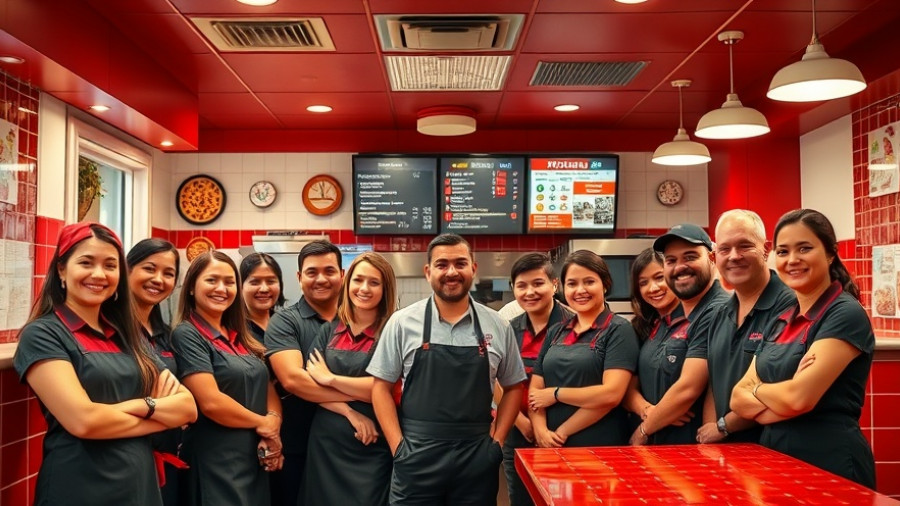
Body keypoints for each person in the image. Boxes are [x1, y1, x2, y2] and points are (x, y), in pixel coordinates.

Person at [14, 223, 197, 506]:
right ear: (61, 269)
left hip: (140, 484)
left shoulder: (126, 334)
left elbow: (187, 408)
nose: (99, 274)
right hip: (79, 485)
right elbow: (84, 422)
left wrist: (135, 408)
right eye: (86, 262)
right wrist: (157, 412)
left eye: (110, 265)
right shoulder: (43, 334)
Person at [367, 233, 526, 505]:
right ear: (428, 272)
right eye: (442, 265)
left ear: (473, 269)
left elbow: (513, 387)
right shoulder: (402, 323)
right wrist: (398, 448)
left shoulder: (497, 325)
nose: (451, 272)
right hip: (416, 455)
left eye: (460, 263)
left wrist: (497, 442)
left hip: (476, 457)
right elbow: (380, 387)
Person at [731, 209, 875, 489]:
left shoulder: (845, 314)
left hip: (830, 463)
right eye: (783, 251)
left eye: (805, 248)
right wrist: (784, 398)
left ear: (830, 254)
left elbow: (798, 399)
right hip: (775, 462)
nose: (792, 260)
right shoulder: (781, 317)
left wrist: (758, 391)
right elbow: (737, 398)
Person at [173, 251, 283, 506]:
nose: (221, 288)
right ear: (191, 287)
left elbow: (266, 386)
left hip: (253, 457)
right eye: (212, 280)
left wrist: (273, 425)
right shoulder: (187, 335)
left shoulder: (241, 335)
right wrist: (262, 423)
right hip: (215, 460)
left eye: (229, 281)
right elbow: (210, 402)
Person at [302, 252, 397, 506]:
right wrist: (349, 412)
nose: (364, 288)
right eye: (358, 280)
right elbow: (309, 386)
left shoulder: (393, 332)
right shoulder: (329, 329)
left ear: (385, 288)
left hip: (373, 444)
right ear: (348, 283)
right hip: (326, 446)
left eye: (374, 283)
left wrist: (330, 379)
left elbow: (384, 389)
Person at [699, 210, 795, 444]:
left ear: (766, 248)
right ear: (714, 257)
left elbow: (778, 390)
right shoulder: (720, 314)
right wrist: (710, 434)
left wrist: (723, 427)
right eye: (724, 249)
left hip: (773, 449)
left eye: (744, 245)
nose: (734, 256)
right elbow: (714, 381)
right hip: (727, 453)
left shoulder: (791, 307)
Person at [627, 225, 729, 445]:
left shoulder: (718, 310)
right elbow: (630, 386)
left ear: (712, 258)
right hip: (663, 446)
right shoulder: (659, 322)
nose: (680, 267)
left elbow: (688, 389)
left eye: (690, 256)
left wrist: (643, 431)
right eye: (671, 260)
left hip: (690, 447)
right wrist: (651, 412)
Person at [528, 250, 639, 448]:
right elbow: (535, 392)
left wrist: (556, 397)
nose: (580, 290)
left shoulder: (619, 330)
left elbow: (611, 395)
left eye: (589, 282)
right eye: (572, 283)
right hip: (550, 447)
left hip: (600, 448)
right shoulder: (555, 331)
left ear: (605, 284)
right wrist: (541, 431)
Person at [264, 240, 343, 506]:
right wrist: (360, 397)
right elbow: (293, 380)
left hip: (350, 448)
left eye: (329, 271)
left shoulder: (357, 320)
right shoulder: (285, 322)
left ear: (342, 275)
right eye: (312, 272)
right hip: (298, 449)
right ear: (299, 277)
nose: (321, 279)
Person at [500, 253, 573, 506]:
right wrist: (520, 422)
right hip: (519, 434)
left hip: (563, 433)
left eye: (538, 283)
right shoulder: (507, 329)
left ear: (554, 284)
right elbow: (495, 381)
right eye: (521, 285)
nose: (530, 292)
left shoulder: (575, 324)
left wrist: (546, 429)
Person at [127, 238, 185, 505]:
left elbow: (187, 406)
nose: (158, 279)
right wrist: (163, 407)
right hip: (126, 460)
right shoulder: (113, 334)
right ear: (128, 270)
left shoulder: (167, 336)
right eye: (149, 268)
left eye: (168, 273)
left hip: (168, 460)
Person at [240, 252, 286, 343]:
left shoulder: (286, 323)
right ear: (241, 286)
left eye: (271, 281)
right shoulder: (233, 329)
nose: (264, 289)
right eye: (255, 282)